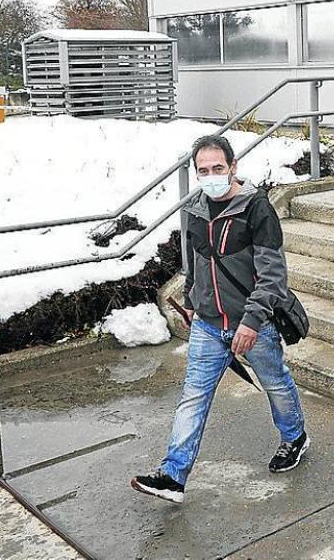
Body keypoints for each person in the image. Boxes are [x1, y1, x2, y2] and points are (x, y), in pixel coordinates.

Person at [132, 135, 308, 504]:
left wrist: (251, 321)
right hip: (209, 324)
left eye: (218, 168)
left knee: (275, 384)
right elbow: (197, 261)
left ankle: (294, 437)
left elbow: (273, 276)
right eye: (203, 170)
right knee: (193, 397)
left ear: (233, 168)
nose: (211, 176)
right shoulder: (195, 208)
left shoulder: (256, 209)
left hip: (253, 324)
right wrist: (193, 301)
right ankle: (173, 475)